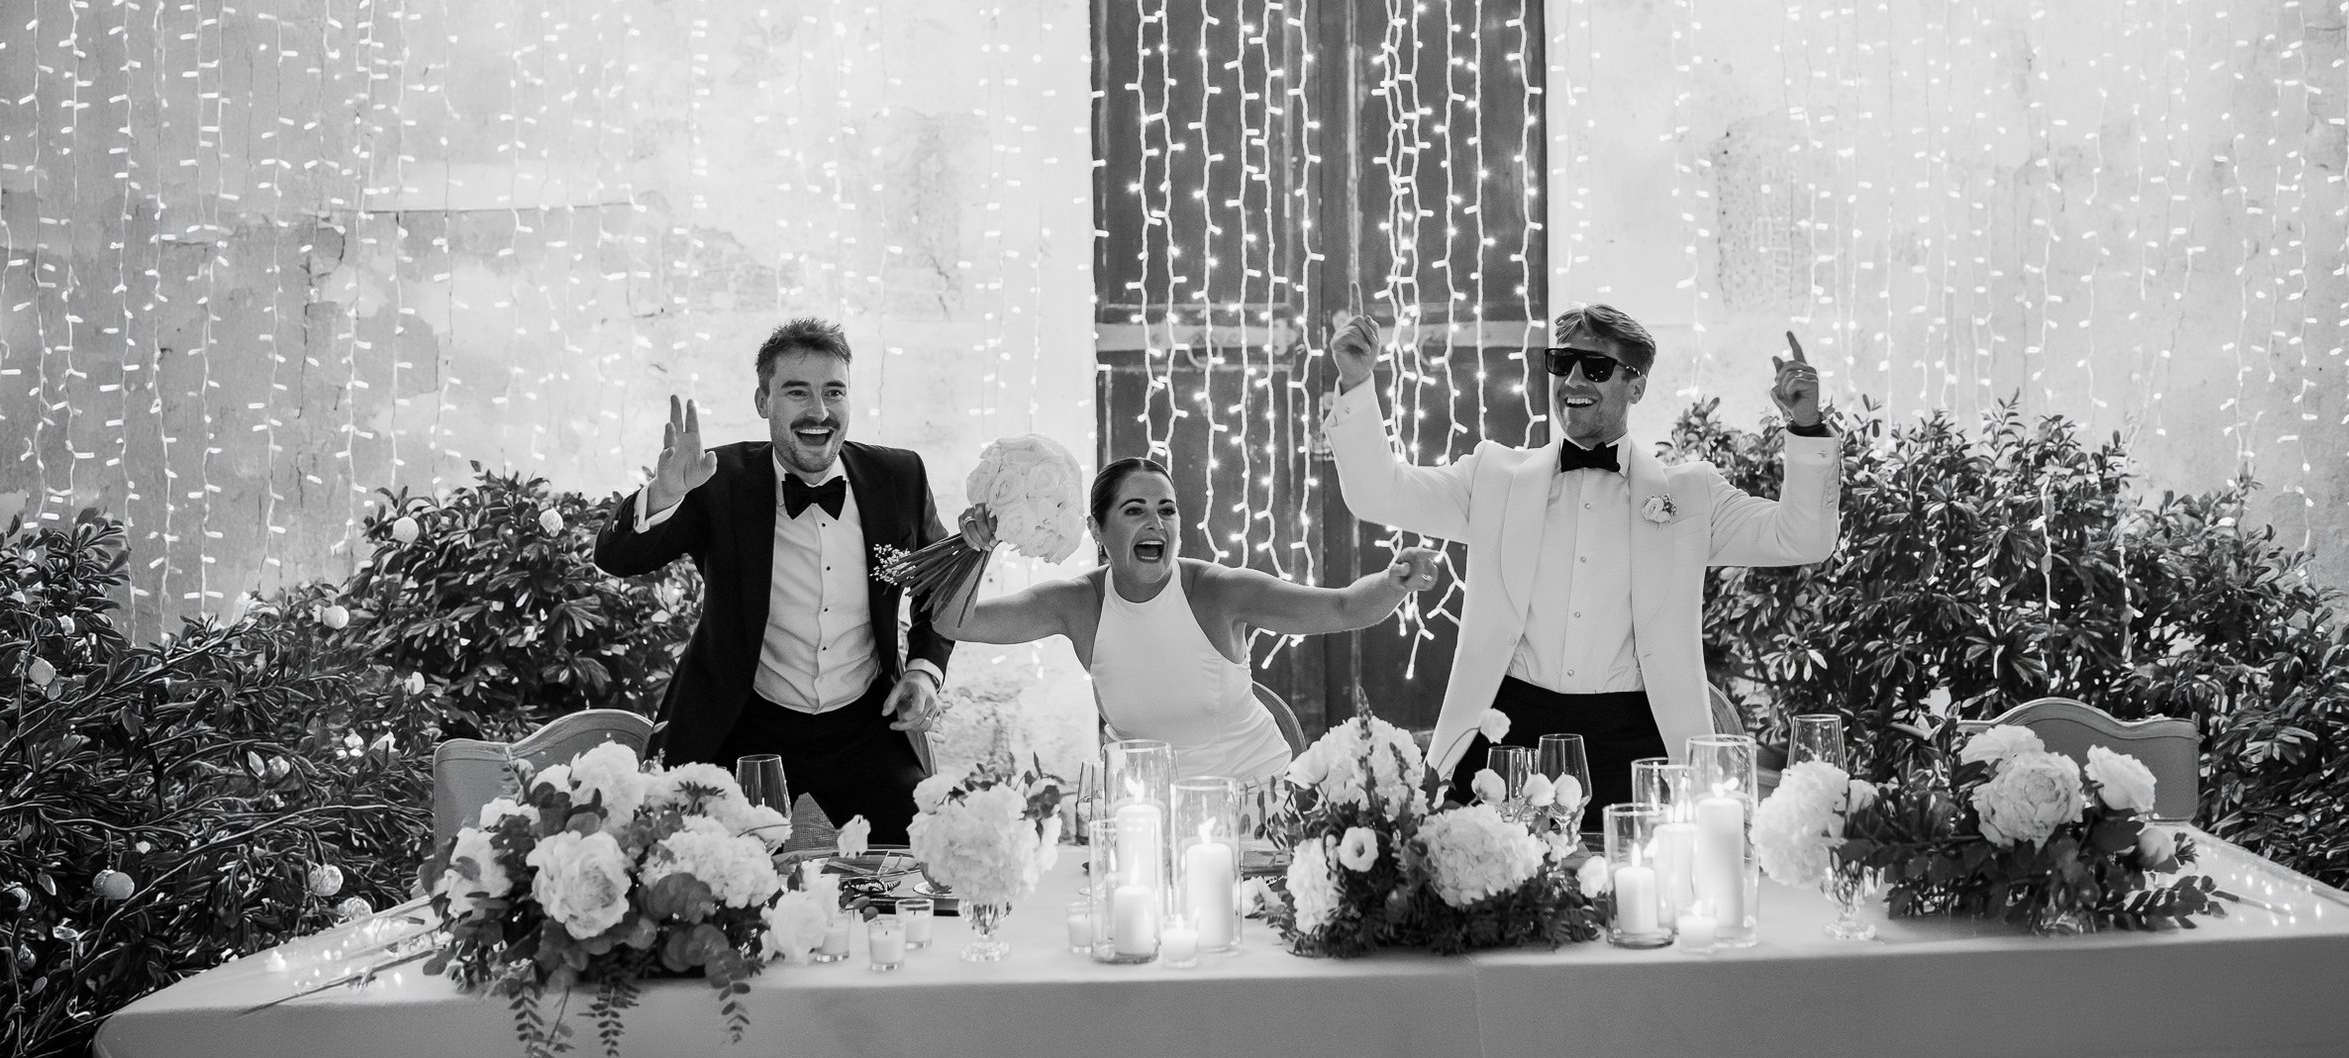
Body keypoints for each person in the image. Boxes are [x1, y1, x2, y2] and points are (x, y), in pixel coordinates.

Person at [1322, 304, 1841, 816]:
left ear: (1636, 386)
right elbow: (1380, 495)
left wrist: (1806, 426)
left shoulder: (1692, 494)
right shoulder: (1493, 476)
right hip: (1507, 735)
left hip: (1638, 741)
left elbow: (1801, 539)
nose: (1573, 379)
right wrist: (1357, 384)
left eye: (1594, 367)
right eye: (1561, 362)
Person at [593, 318, 952, 843]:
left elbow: (939, 587)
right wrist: (663, 495)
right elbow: (617, 556)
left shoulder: (900, 477)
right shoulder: (718, 479)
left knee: (922, 862)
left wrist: (922, 672)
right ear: (763, 401)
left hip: (864, 726)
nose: (819, 412)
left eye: (834, 392)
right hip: (742, 725)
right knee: (695, 881)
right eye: (796, 392)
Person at [932, 457, 1445, 784]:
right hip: (1144, 820)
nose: (1156, 523)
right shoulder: (1078, 604)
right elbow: (957, 622)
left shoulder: (1217, 592)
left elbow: (1343, 607)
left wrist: (1395, 580)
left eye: (1167, 510)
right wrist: (978, 549)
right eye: (1134, 511)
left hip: (1255, 808)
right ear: (1097, 528)